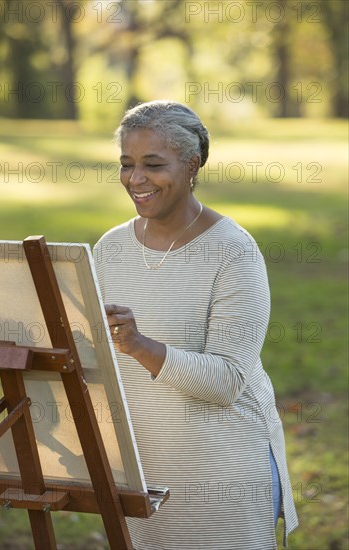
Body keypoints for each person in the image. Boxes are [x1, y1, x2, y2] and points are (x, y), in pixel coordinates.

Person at [93, 100, 298, 550]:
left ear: (192, 165)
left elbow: (228, 380)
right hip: (142, 474)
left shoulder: (233, 252)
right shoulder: (109, 249)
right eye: (127, 164)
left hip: (222, 477)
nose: (135, 178)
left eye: (153, 164)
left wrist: (140, 345)